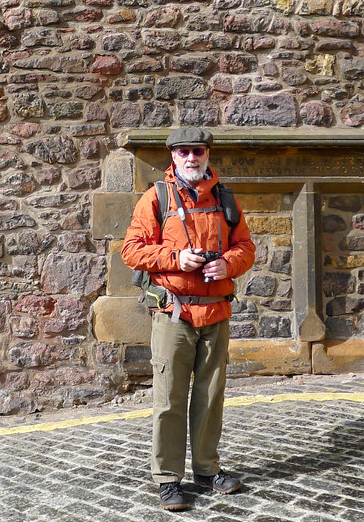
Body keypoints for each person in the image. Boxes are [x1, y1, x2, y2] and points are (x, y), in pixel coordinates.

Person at [121, 126, 256, 511]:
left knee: (211, 397)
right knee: (169, 399)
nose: (191, 158)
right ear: (173, 157)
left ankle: (207, 469)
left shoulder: (225, 198)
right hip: (173, 312)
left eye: (197, 151)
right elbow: (131, 250)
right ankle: (167, 478)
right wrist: (175, 259)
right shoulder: (157, 197)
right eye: (183, 152)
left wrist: (228, 265)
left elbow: (246, 246)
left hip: (216, 311)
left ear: (207, 155)